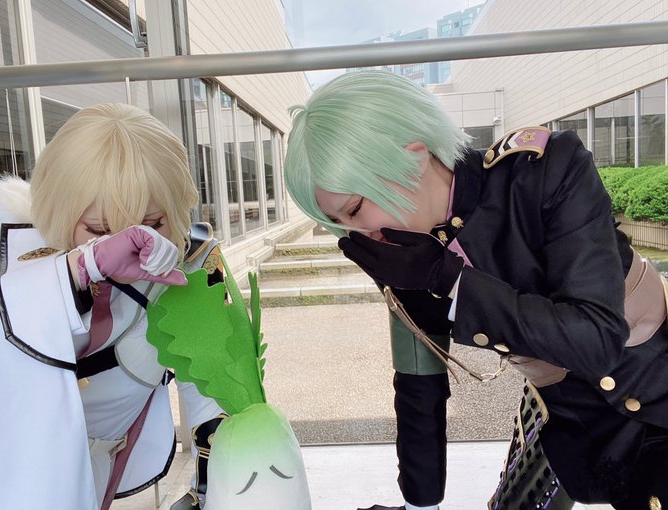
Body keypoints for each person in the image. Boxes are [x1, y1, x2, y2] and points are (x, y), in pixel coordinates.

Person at [283, 70, 668, 510]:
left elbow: (596, 340)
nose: (356, 234)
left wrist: (450, 280)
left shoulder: (542, 171)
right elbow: (419, 384)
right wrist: (421, 504)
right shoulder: (402, 251)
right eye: (336, 222)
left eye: (353, 209)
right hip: (588, 435)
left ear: (413, 160)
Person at [0, 103, 225, 510]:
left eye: (153, 223)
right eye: (99, 229)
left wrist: (215, 488)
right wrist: (77, 270)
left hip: (104, 467)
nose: (130, 244)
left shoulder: (193, 262)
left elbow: (214, 389)